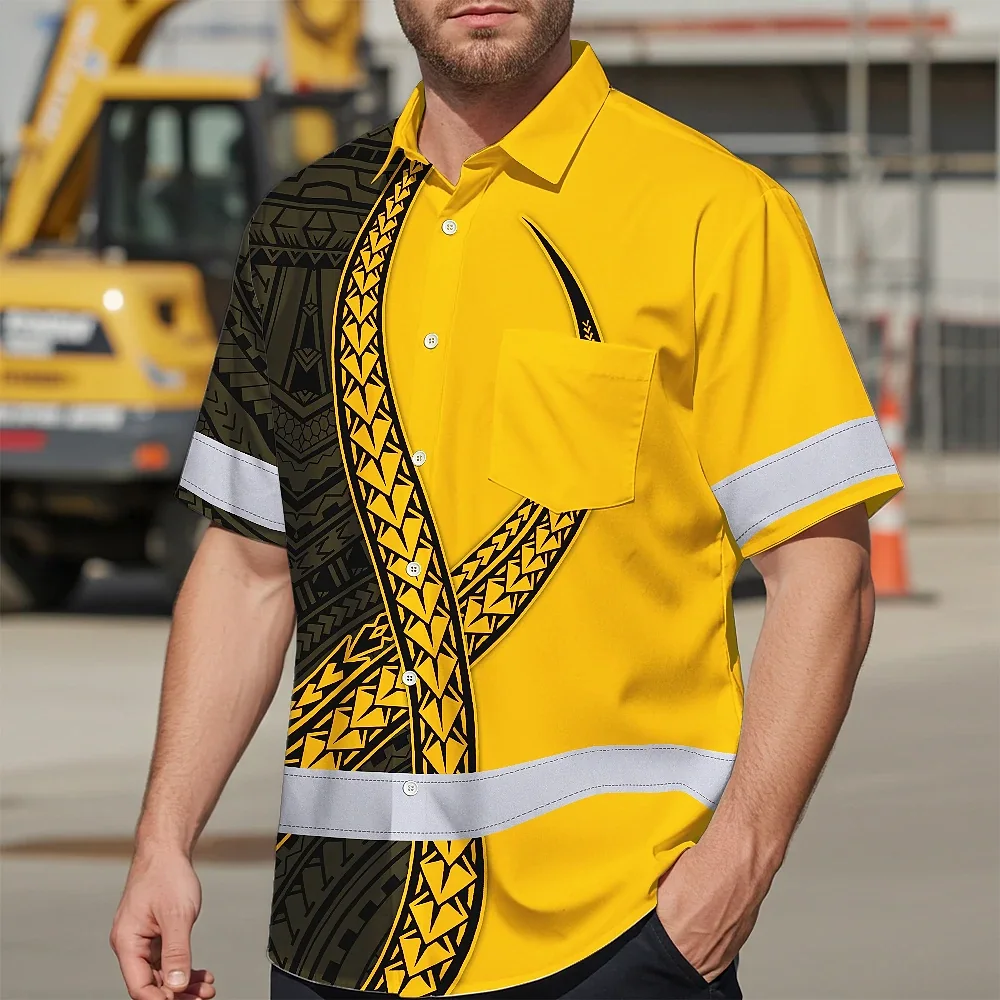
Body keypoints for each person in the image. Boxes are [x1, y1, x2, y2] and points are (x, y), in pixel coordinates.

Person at [110, 2, 904, 998]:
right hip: (336, 940)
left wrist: (735, 866)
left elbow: (824, 571)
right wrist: (163, 838)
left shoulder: (713, 211)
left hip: (613, 938)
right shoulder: (304, 226)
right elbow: (244, 568)